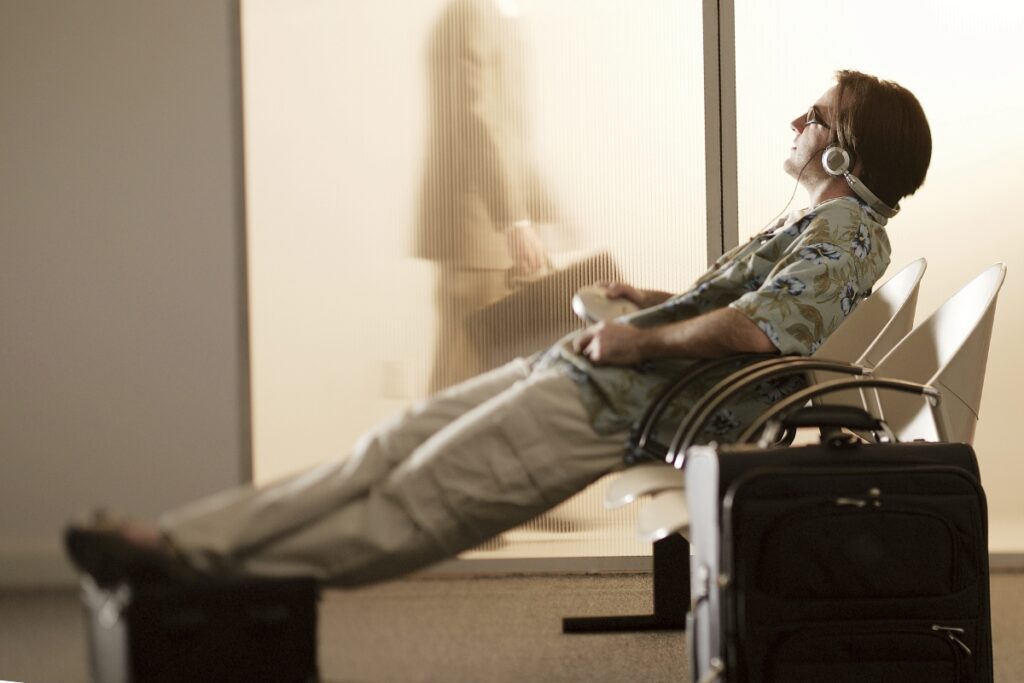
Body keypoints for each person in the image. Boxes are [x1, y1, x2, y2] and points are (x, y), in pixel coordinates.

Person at [66, 69, 932, 588]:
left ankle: (191, 572)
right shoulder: (814, 230)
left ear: (844, 153)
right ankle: (181, 540)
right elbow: (750, 310)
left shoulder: (848, 233)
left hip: (613, 404)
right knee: (381, 449)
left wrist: (640, 340)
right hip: (589, 371)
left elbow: (760, 335)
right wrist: (655, 299)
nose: (797, 122)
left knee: (409, 510)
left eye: (814, 116)